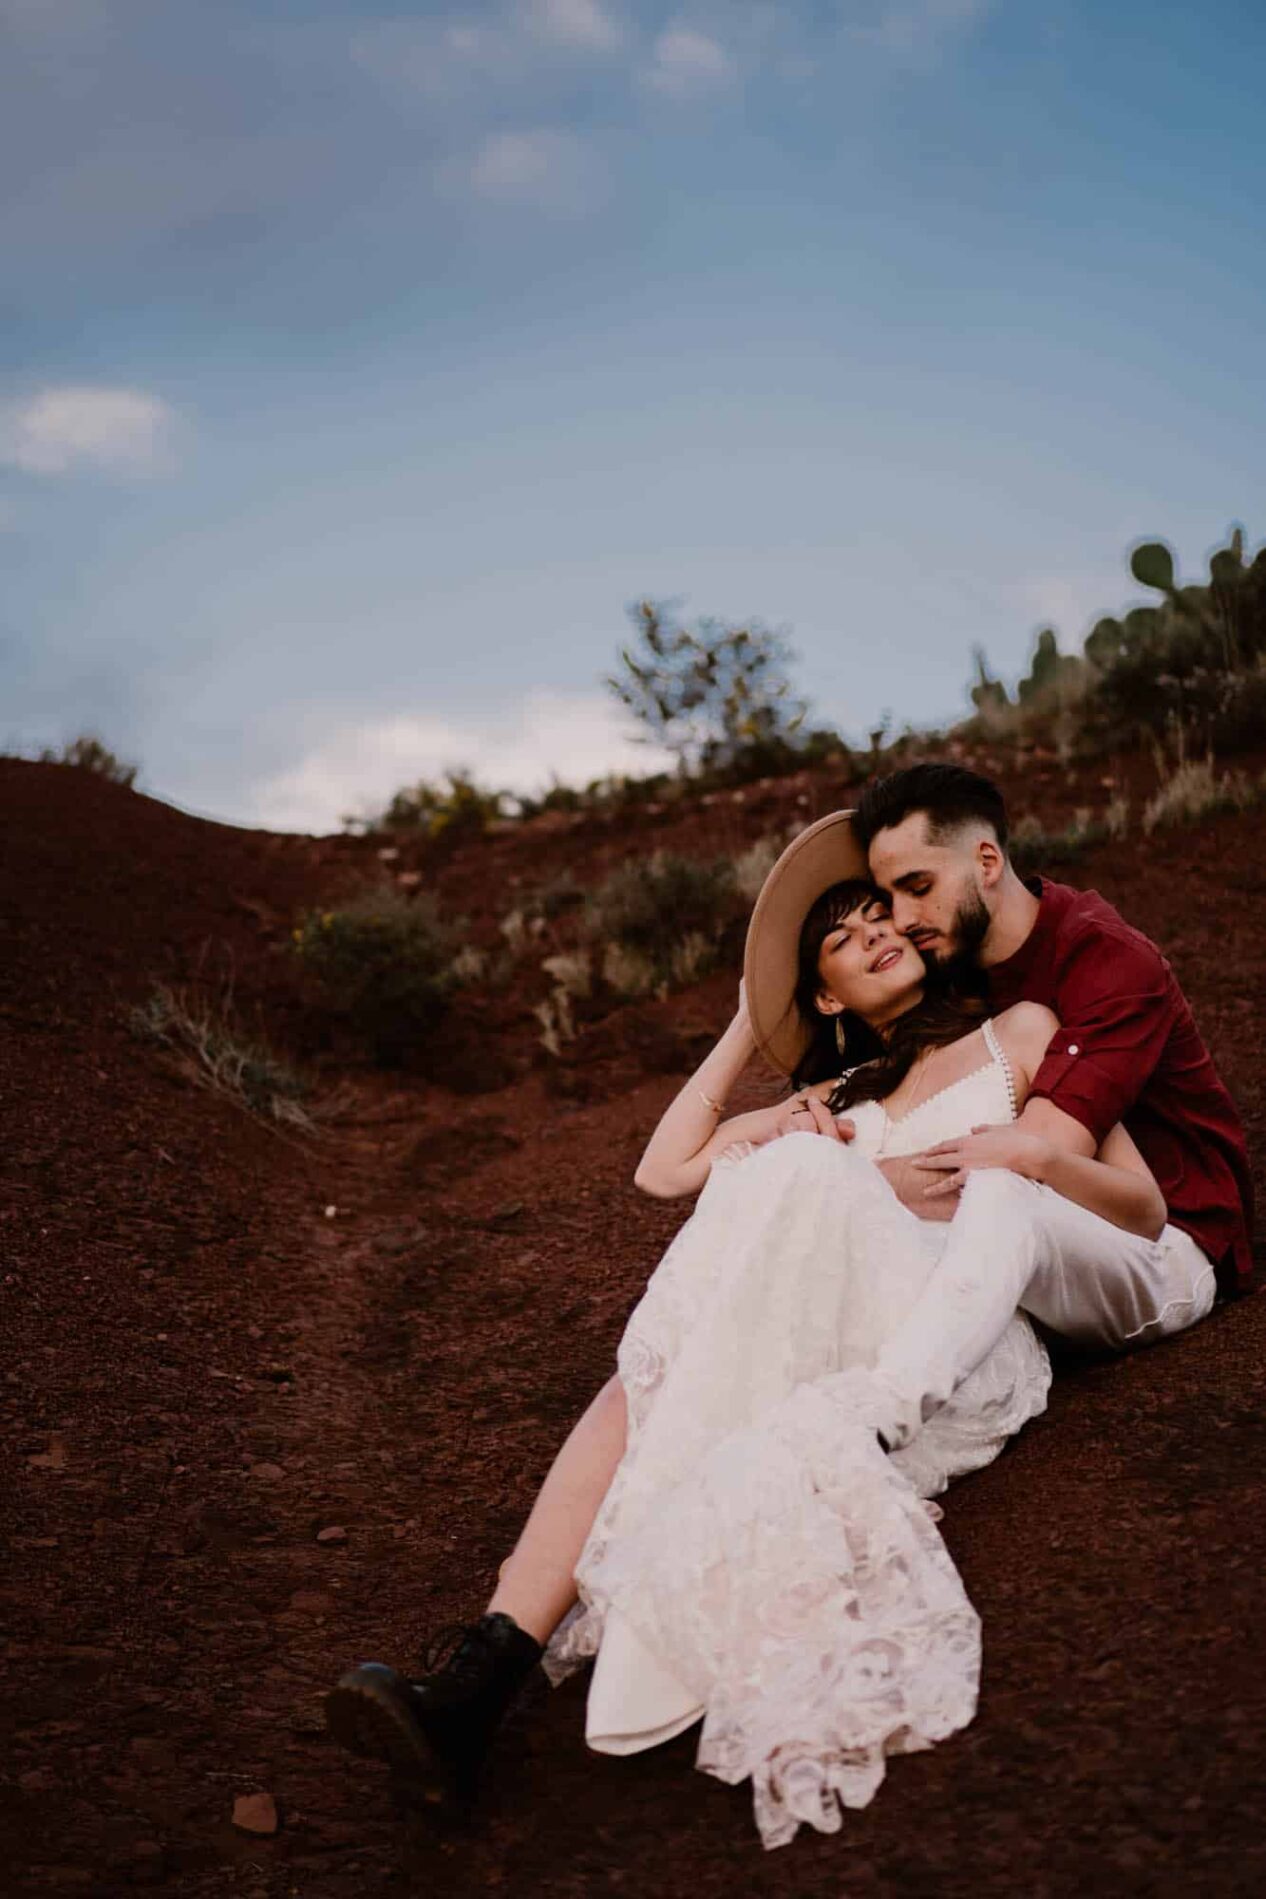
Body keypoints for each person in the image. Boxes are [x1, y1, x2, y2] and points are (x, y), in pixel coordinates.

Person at [324, 804, 1195, 1848]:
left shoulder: (1020, 1034)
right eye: (843, 937)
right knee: (654, 1366)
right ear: (824, 991)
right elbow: (662, 1170)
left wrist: (983, 1165)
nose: (879, 930)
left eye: (885, 913)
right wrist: (752, 1021)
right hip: (828, 1304)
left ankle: (512, 1668)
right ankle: (478, 1675)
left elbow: (1125, 1202)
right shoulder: (829, 1098)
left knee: (782, 1195)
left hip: (940, 1319)